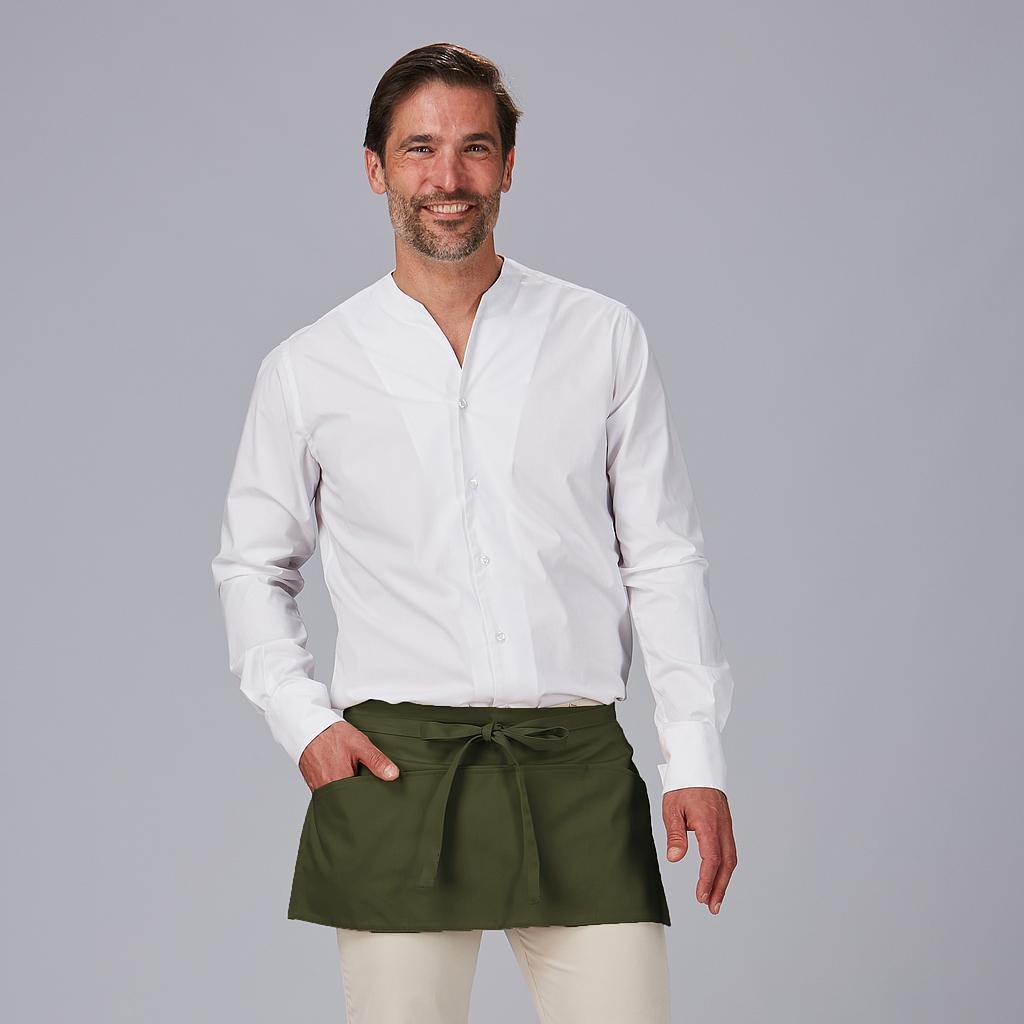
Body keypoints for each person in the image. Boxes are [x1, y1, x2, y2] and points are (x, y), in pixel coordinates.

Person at [211, 41, 738, 1024]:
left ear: (508, 165)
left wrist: (695, 760)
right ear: (375, 169)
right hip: (395, 772)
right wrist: (303, 721)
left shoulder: (600, 336)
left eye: (474, 148)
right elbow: (252, 565)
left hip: (576, 766)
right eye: (419, 149)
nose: (447, 178)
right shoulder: (309, 367)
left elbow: (663, 559)